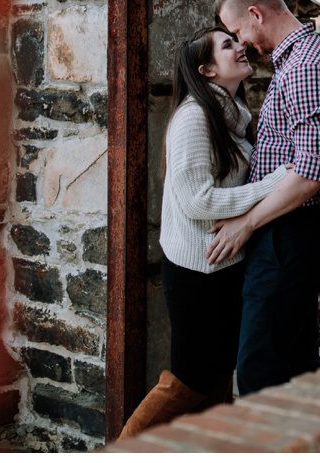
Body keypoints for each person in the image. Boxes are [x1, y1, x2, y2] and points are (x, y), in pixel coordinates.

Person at [118, 26, 291, 438]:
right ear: (207, 70)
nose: (240, 46)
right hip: (197, 272)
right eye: (227, 45)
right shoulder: (194, 117)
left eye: (236, 40)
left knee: (216, 377)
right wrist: (276, 183)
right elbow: (198, 201)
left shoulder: (232, 113)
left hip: (225, 264)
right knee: (190, 378)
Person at [206, 0, 320, 396]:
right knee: (294, 367)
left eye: (238, 30)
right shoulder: (293, 62)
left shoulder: (304, 67)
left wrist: (245, 224)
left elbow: (313, 171)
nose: (240, 42)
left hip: (289, 234)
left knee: (259, 372)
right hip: (283, 231)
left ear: (256, 14)